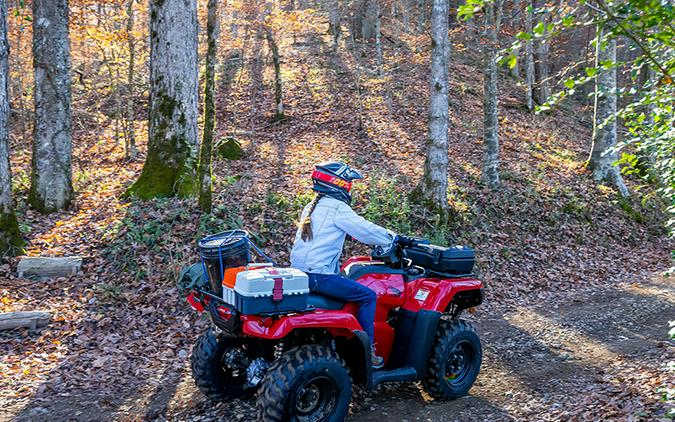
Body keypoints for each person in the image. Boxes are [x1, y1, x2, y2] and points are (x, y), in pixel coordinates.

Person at [290, 161, 396, 368]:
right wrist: (393, 238)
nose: (350, 187)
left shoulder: (312, 206)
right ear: (339, 183)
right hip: (319, 276)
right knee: (368, 295)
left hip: (300, 274)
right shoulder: (337, 208)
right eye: (349, 183)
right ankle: (368, 351)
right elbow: (365, 230)